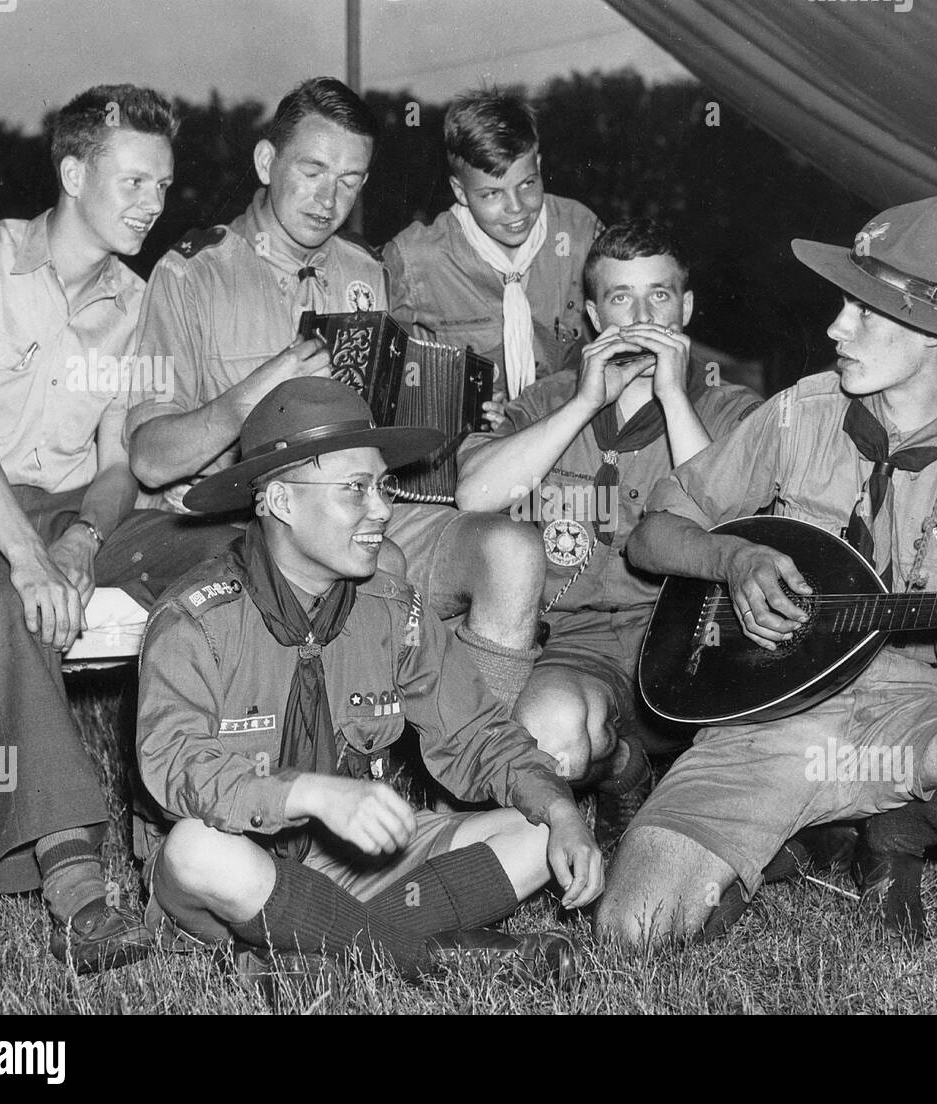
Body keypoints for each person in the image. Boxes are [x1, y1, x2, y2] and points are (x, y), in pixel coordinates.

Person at [595, 197, 937, 945]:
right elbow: (653, 535)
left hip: (911, 716)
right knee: (632, 928)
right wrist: (733, 559)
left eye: (863, 313)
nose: (835, 329)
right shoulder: (801, 413)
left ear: (932, 334)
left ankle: (896, 831)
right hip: (768, 716)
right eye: (843, 306)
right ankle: (792, 843)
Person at [0, 85, 241, 973]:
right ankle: (77, 894)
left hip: (65, 509)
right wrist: (27, 558)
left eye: (163, 187)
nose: (152, 203)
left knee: (239, 557)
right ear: (71, 172)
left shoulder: (134, 305)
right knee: (13, 609)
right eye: (133, 181)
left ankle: (216, 809)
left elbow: (114, 467)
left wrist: (76, 543)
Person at [135, 378, 602, 982]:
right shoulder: (197, 620)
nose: (382, 509)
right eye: (355, 490)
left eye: (381, 487)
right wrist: (309, 793)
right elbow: (177, 766)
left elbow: (480, 734)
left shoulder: (390, 609)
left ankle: (313, 952)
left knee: (539, 831)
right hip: (238, 870)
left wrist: (560, 810)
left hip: (352, 866)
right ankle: (423, 957)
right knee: (195, 850)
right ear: (280, 502)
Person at [126, 78, 546, 712]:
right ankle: (348, 762)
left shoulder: (364, 269)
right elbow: (151, 459)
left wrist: (460, 419)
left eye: (352, 180)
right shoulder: (192, 273)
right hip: (246, 517)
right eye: (314, 170)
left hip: (366, 503)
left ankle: (489, 769)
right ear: (267, 163)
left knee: (512, 550)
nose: (330, 199)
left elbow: (388, 427)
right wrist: (251, 395)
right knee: (383, 564)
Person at [457, 220, 761, 847]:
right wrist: (581, 406)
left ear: (687, 305)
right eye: (622, 298)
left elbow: (729, 528)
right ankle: (622, 771)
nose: (642, 315)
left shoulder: (732, 408)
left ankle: (687, 790)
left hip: (695, 642)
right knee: (552, 739)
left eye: (660, 295)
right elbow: (474, 495)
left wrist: (674, 396)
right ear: (595, 314)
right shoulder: (549, 400)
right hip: (580, 646)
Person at [384, 89, 601, 411]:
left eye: (527, 183)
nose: (516, 208)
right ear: (460, 191)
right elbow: (386, 378)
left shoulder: (579, 232)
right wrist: (457, 399)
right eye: (491, 194)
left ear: (539, 165)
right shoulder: (415, 259)